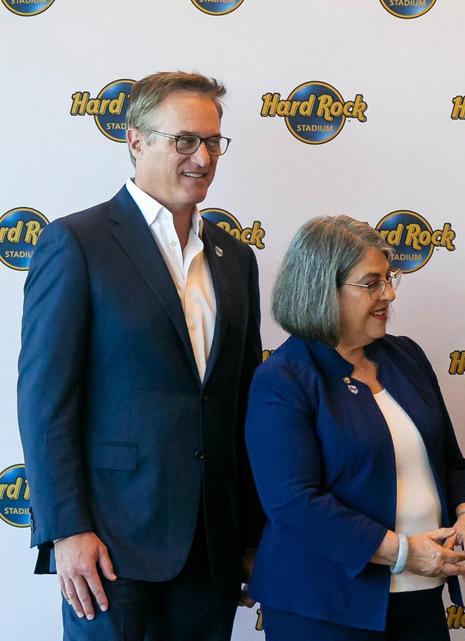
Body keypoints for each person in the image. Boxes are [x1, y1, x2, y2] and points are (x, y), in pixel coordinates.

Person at [17, 71, 263, 640]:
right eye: (184, 140)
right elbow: (45, 401)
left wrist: (251, 535)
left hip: (213, 547)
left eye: (212, 142)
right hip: (109, 549)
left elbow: (241, 406)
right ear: (134, 140)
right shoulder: (76, 243)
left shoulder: (234, 258)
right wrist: (67, 529)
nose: (202, 157)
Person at [244, 216, 465, 641]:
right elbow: (294, 503)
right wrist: (404, 553)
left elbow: (451, 462)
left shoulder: (405, 356)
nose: (388, 294)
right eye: (371, 283)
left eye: (389, 279)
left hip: (419, 596)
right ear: (322, 289)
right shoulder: (283, 379)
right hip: (324, 608)